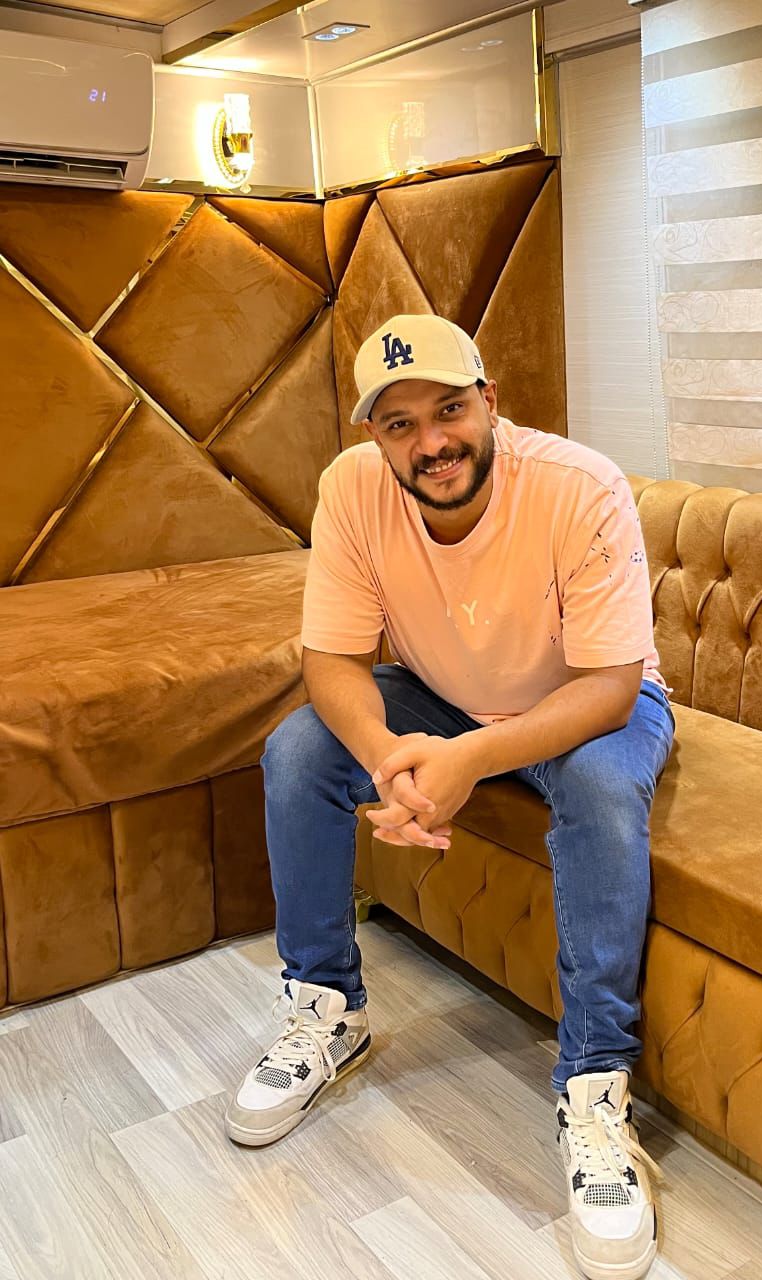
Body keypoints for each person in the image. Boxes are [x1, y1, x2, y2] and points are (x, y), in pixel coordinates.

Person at [226, 314, 675, 1280]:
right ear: (374, 436)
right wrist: (392, 757)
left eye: (449, 411)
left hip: (588, 700)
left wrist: (469, 760)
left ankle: (595, 1084)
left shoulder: (580, 486)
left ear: (490, 404)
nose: (431, 442)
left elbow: (609, 685)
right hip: (438, 696)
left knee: (602, 791)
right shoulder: (352, 488)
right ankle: (326, 1010)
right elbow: (332, 661)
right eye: (400, 424)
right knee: (299, 751)